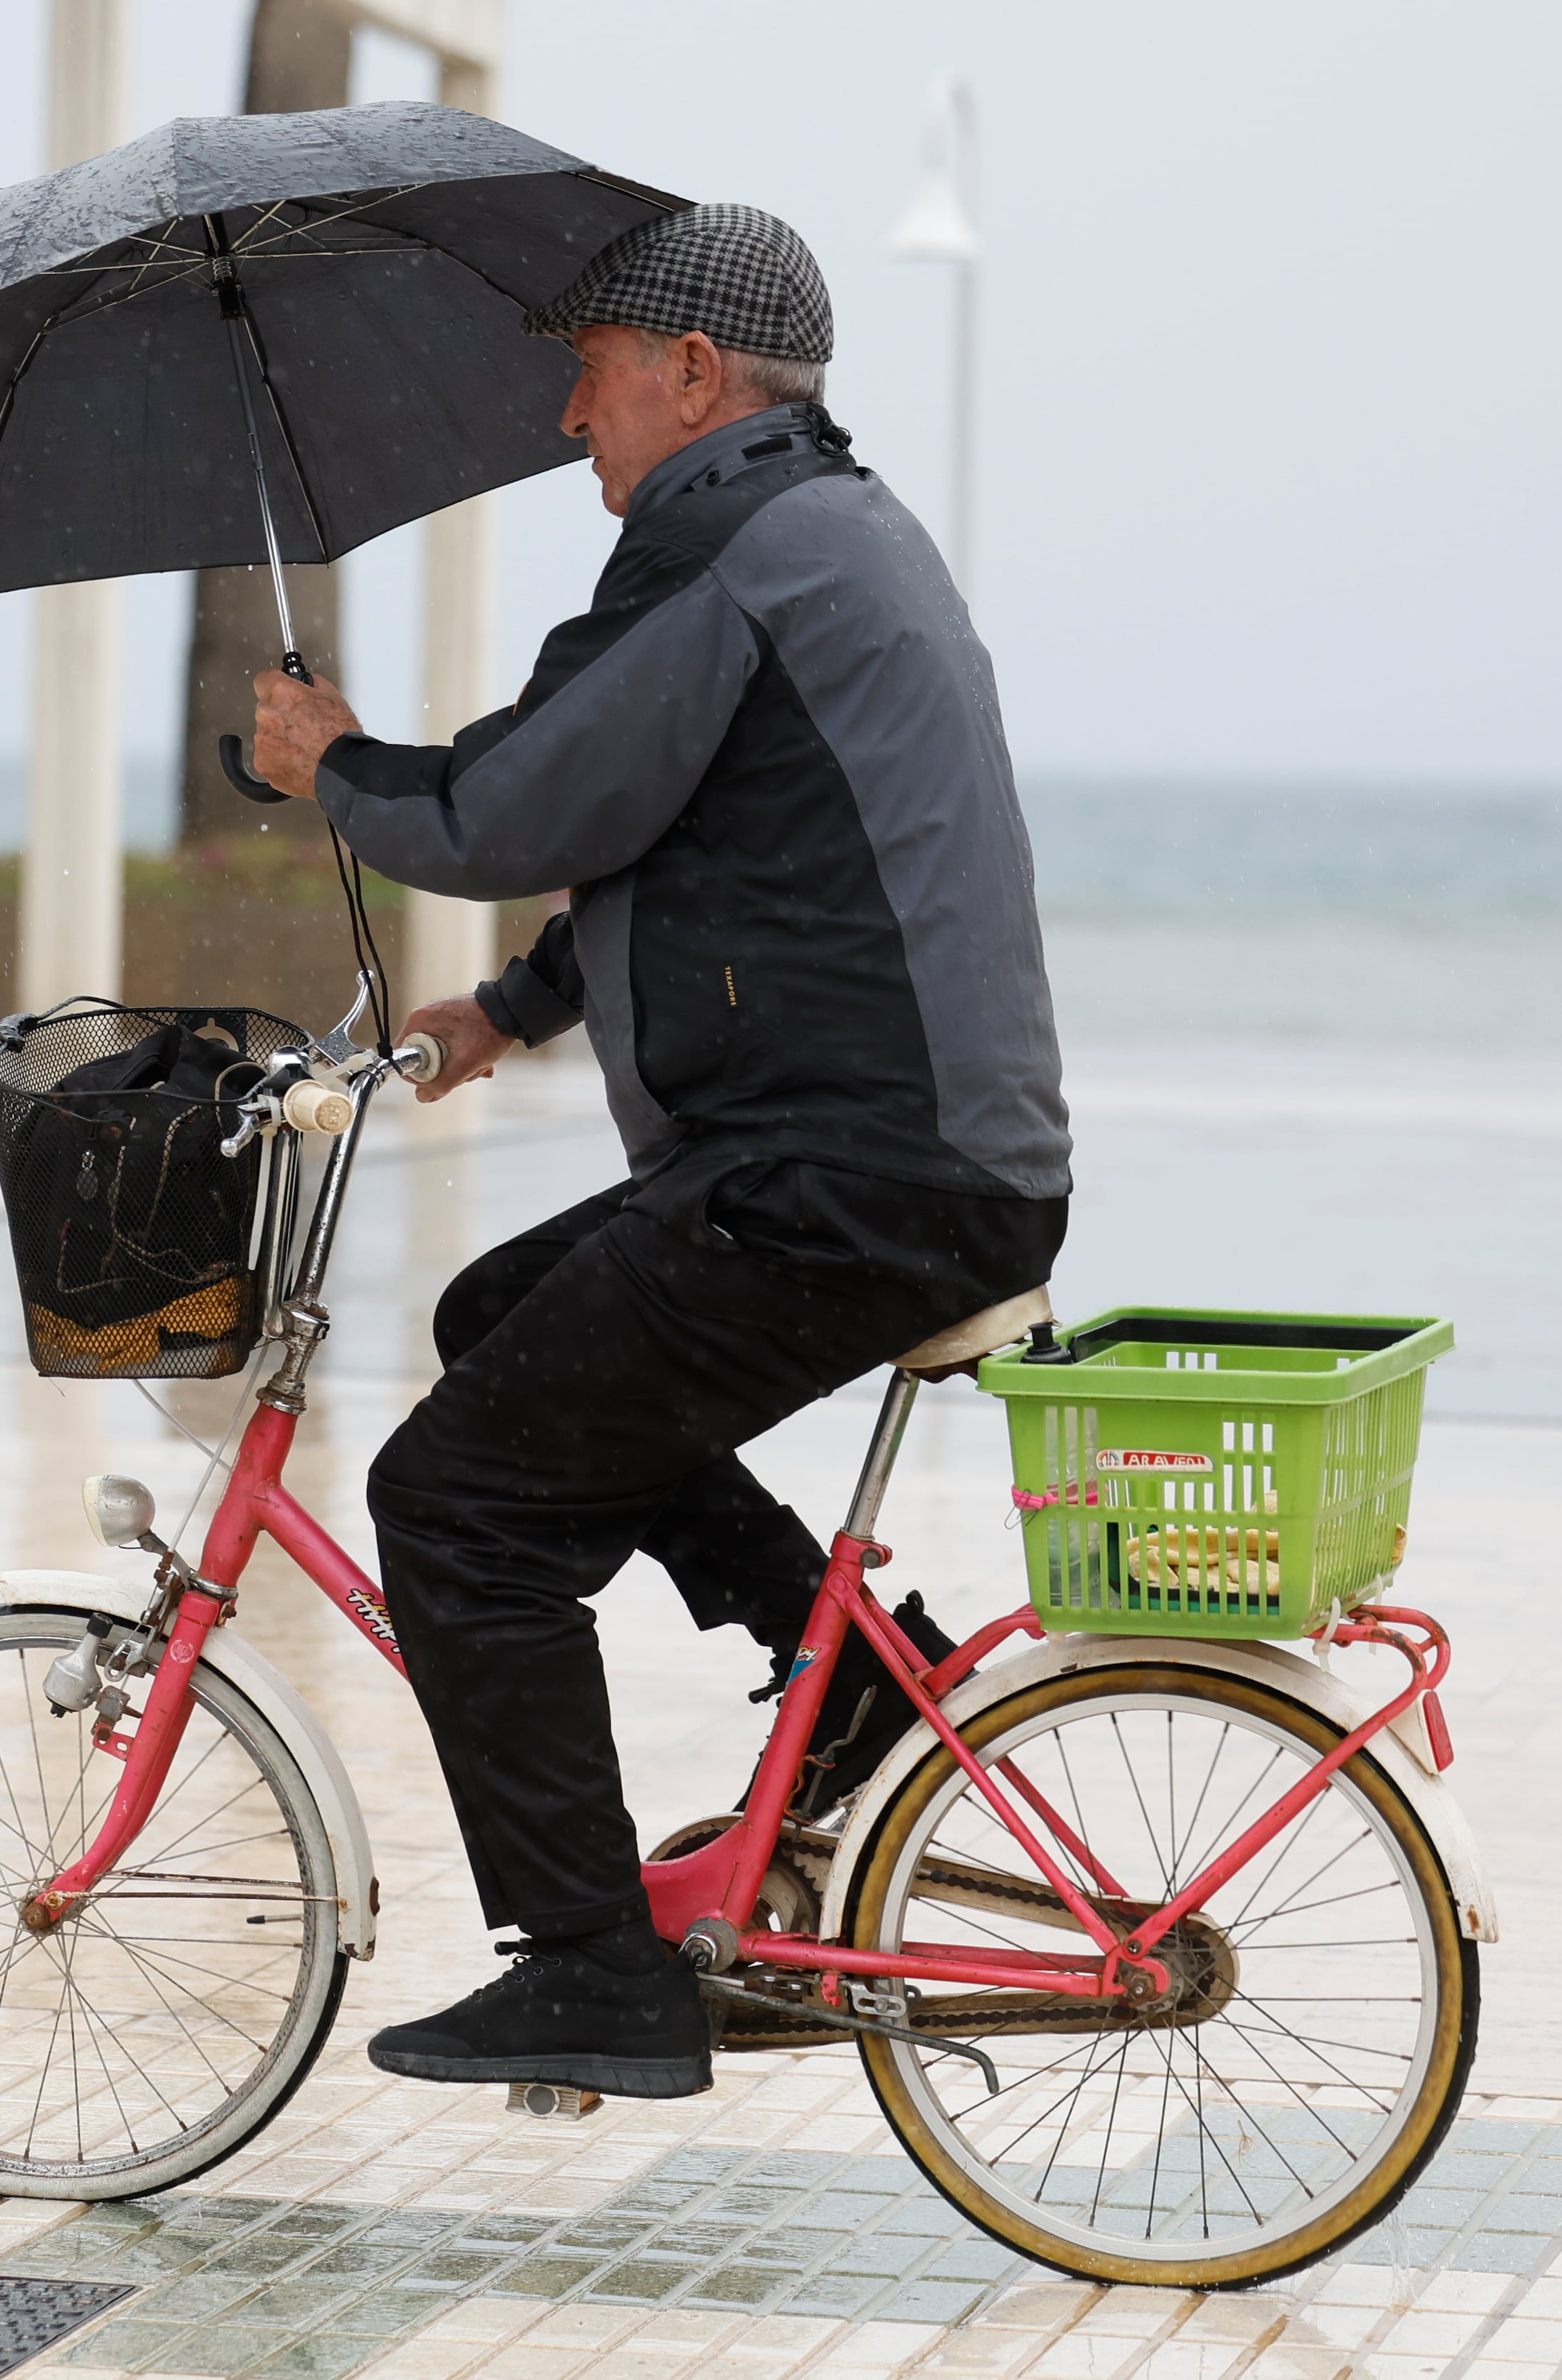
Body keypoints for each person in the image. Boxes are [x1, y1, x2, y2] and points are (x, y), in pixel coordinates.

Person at [244, 203, 1072, 2101]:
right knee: (509, 1314)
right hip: (900, 1160)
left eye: (592, 368)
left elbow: (521, 795)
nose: (568, 418)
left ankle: (590, 1969)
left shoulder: (731, 553)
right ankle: (852, 1673)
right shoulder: (822, 535)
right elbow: (704, 839)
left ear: (694, 374)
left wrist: (338, 769)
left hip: (847, 1177)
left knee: (461, 1503)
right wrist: (512, 1010)